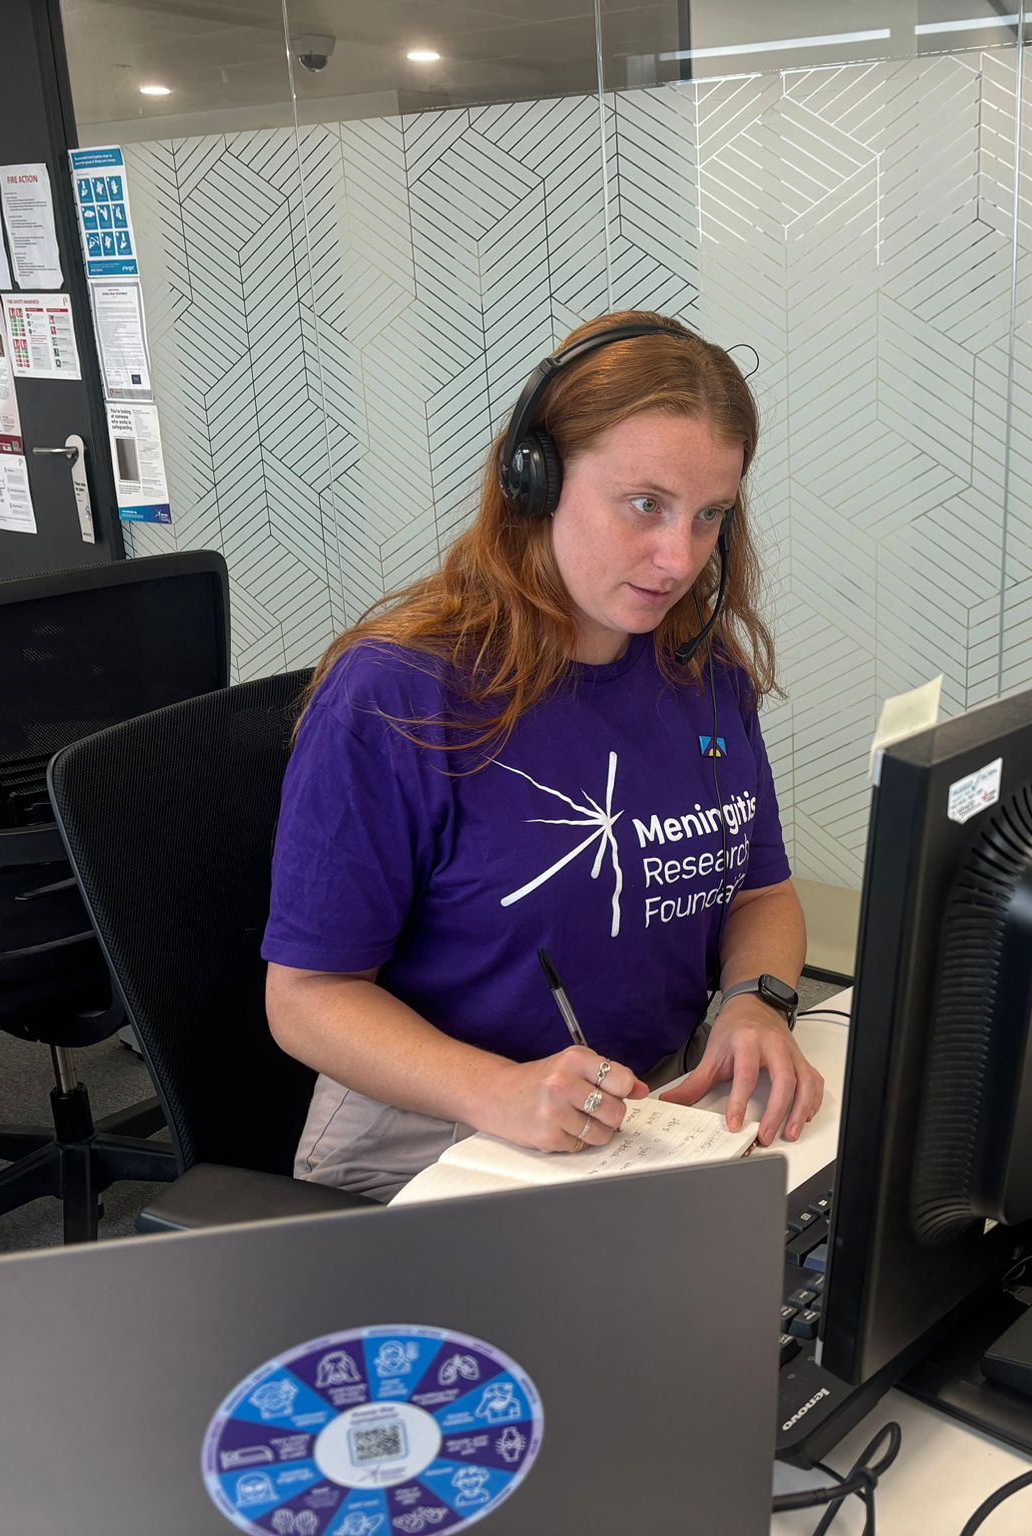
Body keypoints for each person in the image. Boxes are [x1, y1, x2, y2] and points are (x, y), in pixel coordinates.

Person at [263, 312, 821, 1199]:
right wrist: (502, 1091)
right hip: (435, 1138)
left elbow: (761, 891)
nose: (680, 557)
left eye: (710, 514)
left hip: (647, 1117)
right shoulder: (396, 694)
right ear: (536, 483)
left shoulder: (703, 673)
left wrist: (758, 998)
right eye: (646, 505)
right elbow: (304, 999)